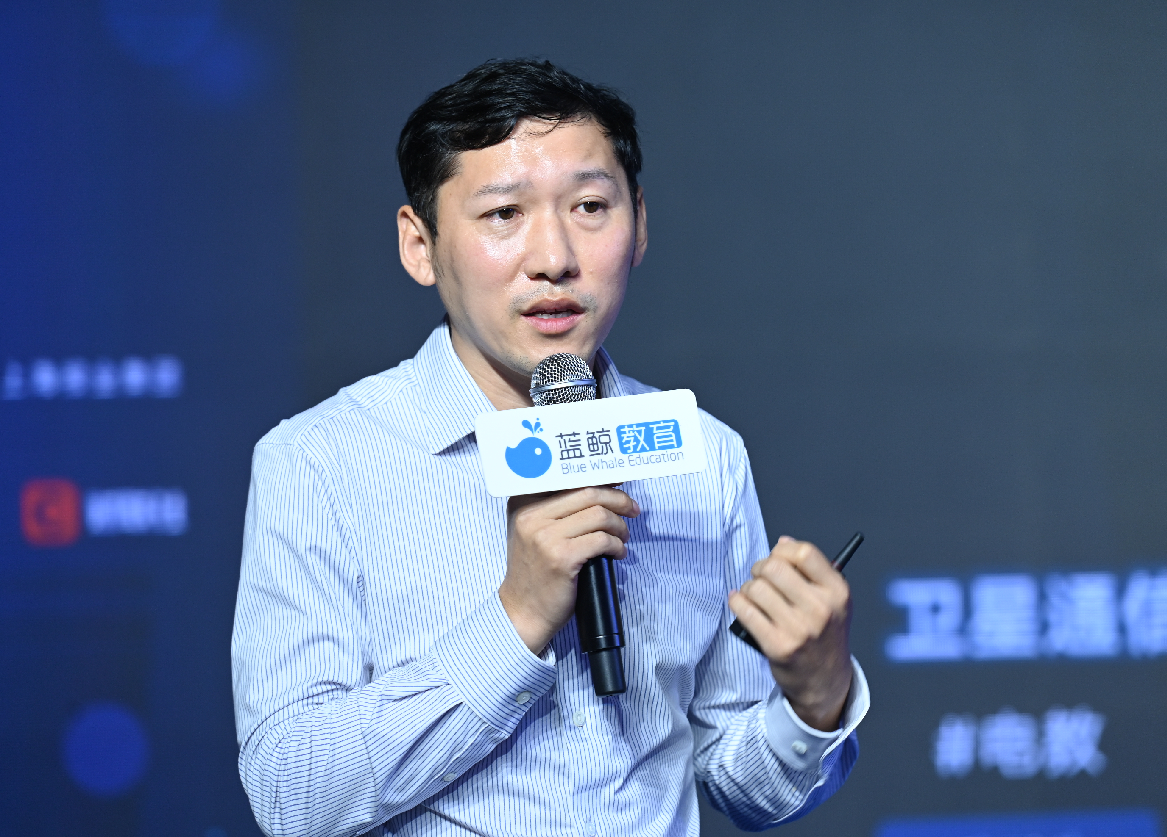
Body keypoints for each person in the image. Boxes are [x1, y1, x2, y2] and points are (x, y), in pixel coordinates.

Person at [232, 58, 869, 837]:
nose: (554, 257)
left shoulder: (704, 455)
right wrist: (518, 615)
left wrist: (814, 698)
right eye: (503, 214)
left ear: (639, 222)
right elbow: (291, 795)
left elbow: (740, 784)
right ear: (419, 244)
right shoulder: (319, 460)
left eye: (590, 206)